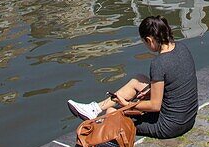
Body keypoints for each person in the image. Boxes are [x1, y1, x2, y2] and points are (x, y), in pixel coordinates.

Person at [67, 16, 198, 140]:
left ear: (150, 40)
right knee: (138, 80)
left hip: (169, 126)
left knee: (111, 111)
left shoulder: (159, 63)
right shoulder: (182, 47)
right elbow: (174, 83)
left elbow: (155, 106)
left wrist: (128, 105)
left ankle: (99, 115)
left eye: (145, 43)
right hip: (188, 118)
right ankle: (94, 109)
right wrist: (149, 93)